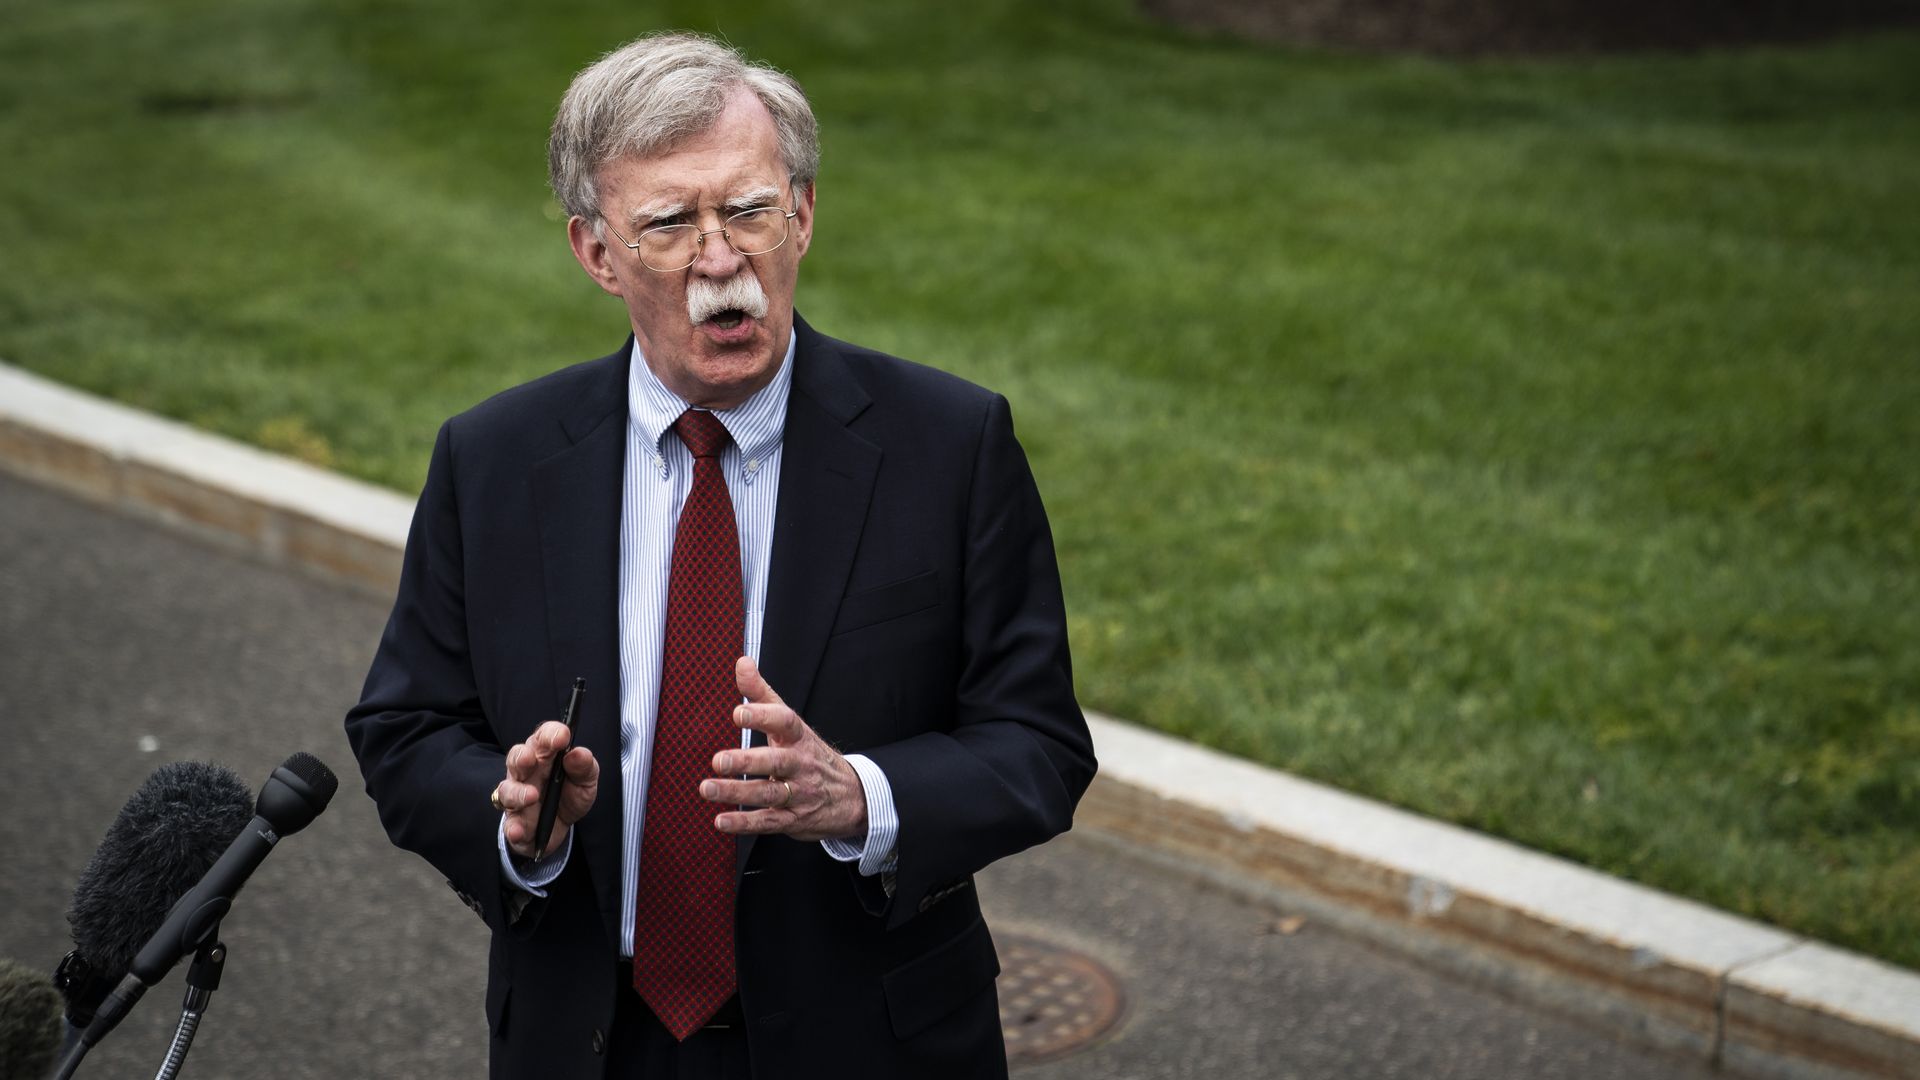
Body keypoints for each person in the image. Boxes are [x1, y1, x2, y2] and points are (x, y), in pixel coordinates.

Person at [344, 30, 1095, 1080]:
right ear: (596, 254)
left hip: (869, 1046)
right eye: (668, 224)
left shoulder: (950, 445)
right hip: (588, 1044)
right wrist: (518, 825)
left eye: (749, 210)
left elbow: (1038, 744)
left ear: (805, 216)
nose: (720, 260)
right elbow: (406, 728)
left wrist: (860, 795)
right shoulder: (494, 459)